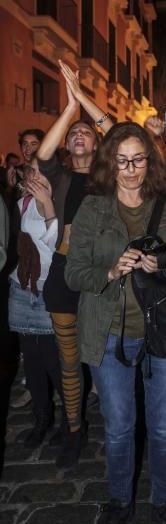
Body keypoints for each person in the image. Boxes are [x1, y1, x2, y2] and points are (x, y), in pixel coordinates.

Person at [65, 122, 166, 524]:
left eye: (138, 159)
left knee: (163, 426)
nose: (130, 170)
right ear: (110, 161)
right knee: (120, 426)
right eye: (122, 161)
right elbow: (73, 273)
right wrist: (110, 270)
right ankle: (119, 502)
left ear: (150, 159)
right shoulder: (92, 208)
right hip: (109, 332)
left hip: (162, 331)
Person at [37, 61, 113, 469]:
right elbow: (44, 152)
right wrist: (68, 109)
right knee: (69, 361)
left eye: (86, 131)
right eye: (73, 135)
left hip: (104, 278)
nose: (79, 135)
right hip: (65, 276)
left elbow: (119, 133)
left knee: (109, 355)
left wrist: (82, 97)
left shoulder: (113, 177)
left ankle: (118, 420)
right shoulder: (61, 176)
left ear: (98, 145)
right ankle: (73, 428)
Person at [8, 163, 63, 447]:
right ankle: (42, 419)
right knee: (31, 361)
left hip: (46, 291)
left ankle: (70, 422)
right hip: (21, 288)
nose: (33, 177)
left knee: (54, 361)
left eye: (39, 171)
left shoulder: (58, 198)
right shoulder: (19, 203)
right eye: (29, 171)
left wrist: (48, 204)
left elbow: (55, 244)